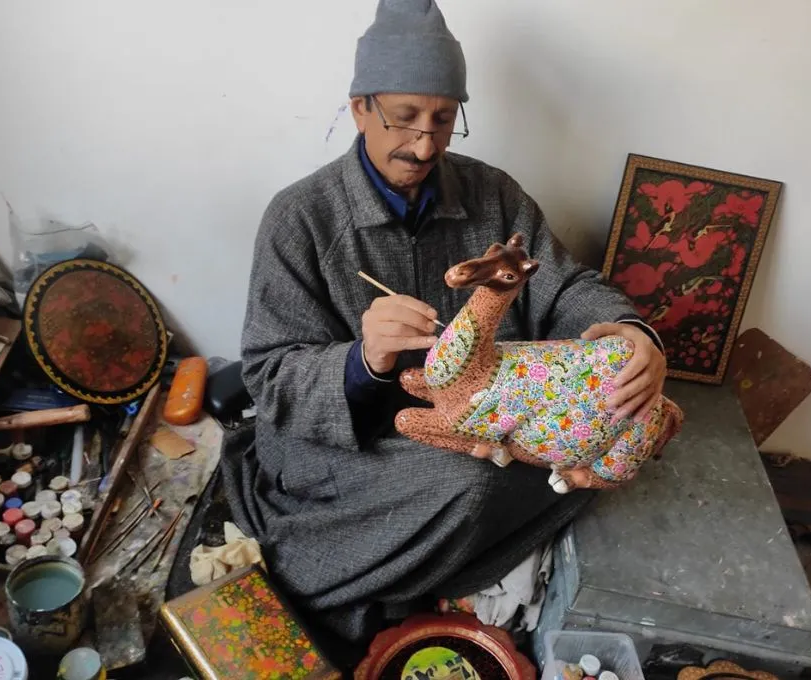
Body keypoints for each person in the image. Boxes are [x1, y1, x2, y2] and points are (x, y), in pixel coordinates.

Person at [222, 0, 666, 654]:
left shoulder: (495, 196)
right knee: (473, 484)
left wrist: (630, 334)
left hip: (473, 420)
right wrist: (361, 359)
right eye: (403, 119)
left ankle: (405, 570)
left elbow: (563, 285)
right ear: (359, 109)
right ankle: (344, 578)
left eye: (442, 119)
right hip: (349, 440)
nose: (425, 144)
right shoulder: (299, 218)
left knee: (628, 424)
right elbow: (268, 373)